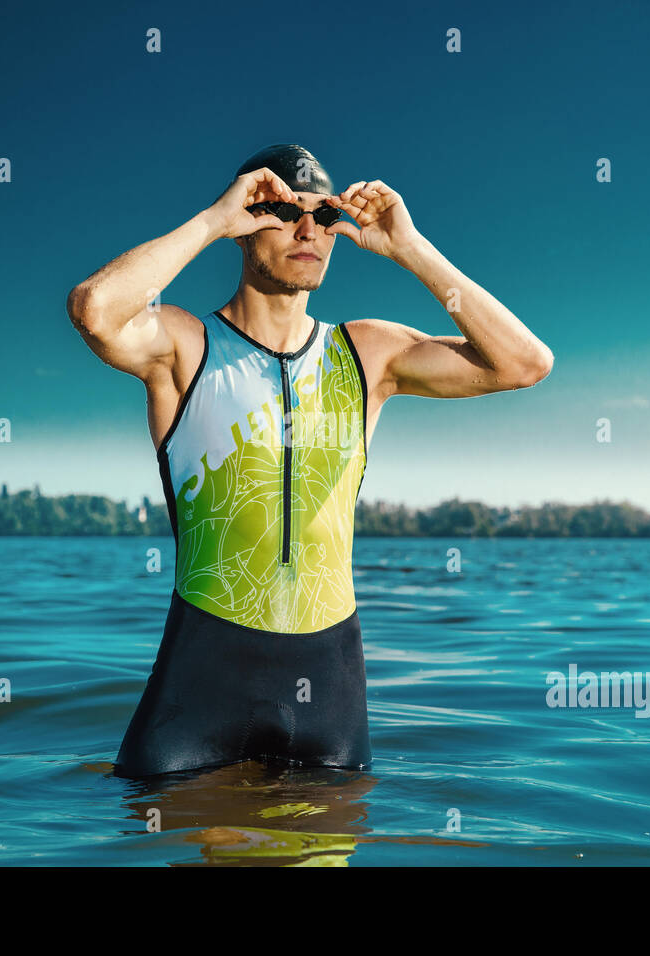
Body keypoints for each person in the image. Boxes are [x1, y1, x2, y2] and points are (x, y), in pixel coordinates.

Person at [66, 144, 553, 778]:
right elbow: (93, 311)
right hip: (200, 685)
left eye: (324, 218)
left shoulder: (366, 355)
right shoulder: (185, 346)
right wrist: (213, 220)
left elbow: (524, 363)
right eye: (285, 213)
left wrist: (409, 247)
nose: (308, 231)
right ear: (247, 225)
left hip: (330, 693)